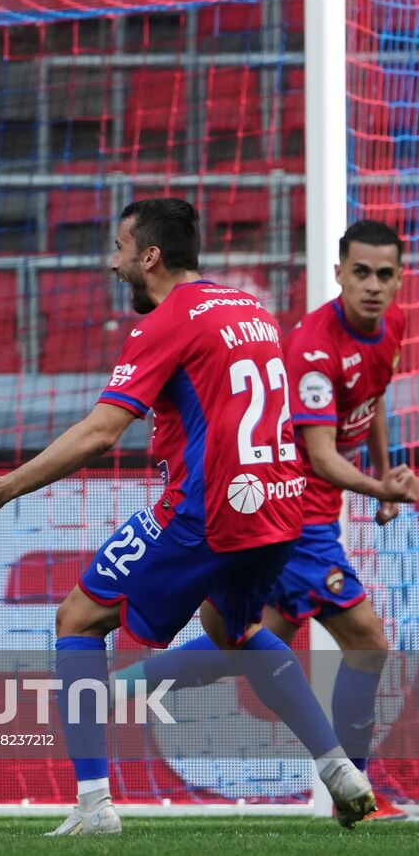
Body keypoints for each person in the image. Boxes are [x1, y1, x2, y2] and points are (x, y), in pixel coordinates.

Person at [0, 198, 376, 835]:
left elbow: (100, 433)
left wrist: (6, 489)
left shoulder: (169, 320)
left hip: (206, 512)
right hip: (282, 511)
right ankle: (339, 770)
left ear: (150, 256)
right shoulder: (251, 309)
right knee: (235, 631)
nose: (113, 264)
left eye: (118, 249)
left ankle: (94, 806)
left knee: (78, 619)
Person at [122, 219, 418, 820]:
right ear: (337, 273)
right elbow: (324, 457)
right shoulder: (313, 348)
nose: (373, 286)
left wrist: (386, 481)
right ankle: (353, 790)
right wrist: (378, 486)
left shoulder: (390, 327)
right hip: (293, 514)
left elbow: (374, 395)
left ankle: (117, 688)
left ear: (399, 281)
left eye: (386, 275)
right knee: (366, 640)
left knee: (248, 645)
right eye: (360, 272)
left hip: (314, 514)